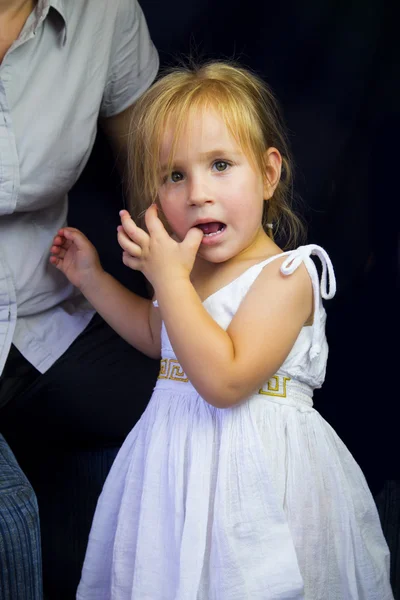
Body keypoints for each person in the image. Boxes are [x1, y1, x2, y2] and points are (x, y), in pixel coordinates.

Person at [50, 61, 393, 599]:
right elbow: (155, 334)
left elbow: (226, 380)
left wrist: (168, 280)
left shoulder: (286, 274)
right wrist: (91, 279)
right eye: (175, 175)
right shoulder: (187, 277)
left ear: (268, 174)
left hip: (257, 485)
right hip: (177, 473)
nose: (198, 193)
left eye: (220, 165)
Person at [0, 0, 159, 595]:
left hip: (47, 315)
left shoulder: (105, 11)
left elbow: (158, 165)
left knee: (188, 416)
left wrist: (219, 284)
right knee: (8, 524)